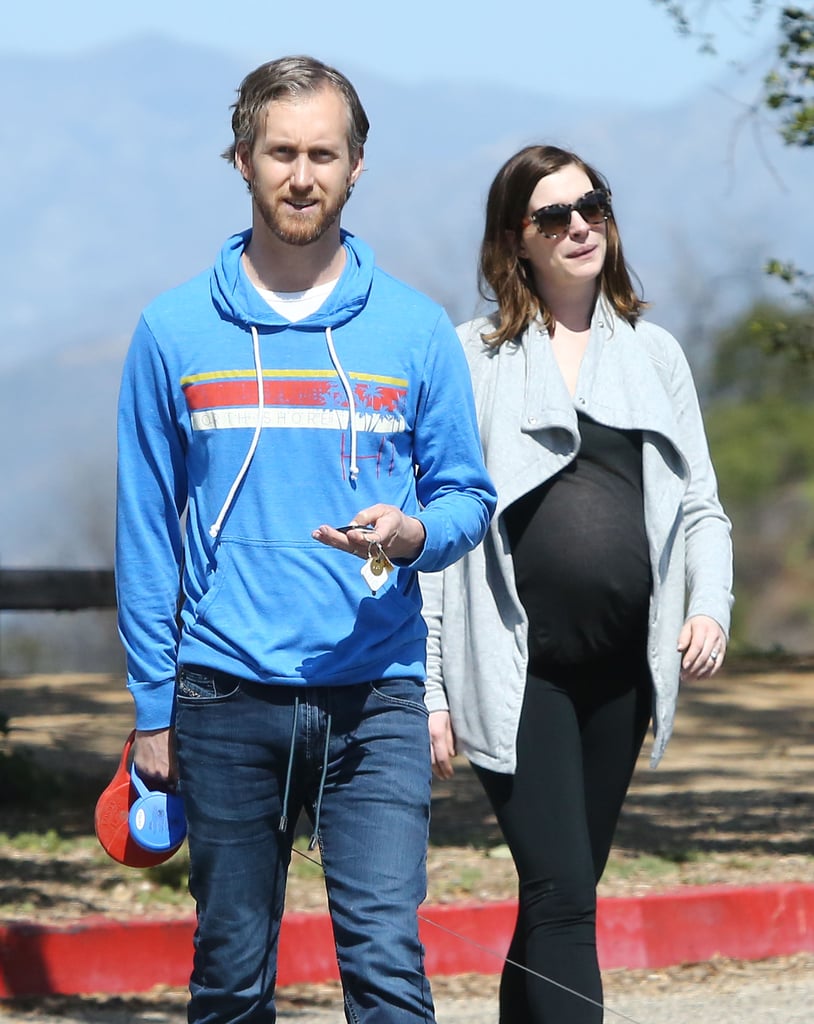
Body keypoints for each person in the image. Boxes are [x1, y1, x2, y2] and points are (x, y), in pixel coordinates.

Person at [115, 55, 496, 1024]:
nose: (300, 174)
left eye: (322, 153)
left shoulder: (414, 332)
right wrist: (153, 707)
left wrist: (414, 532)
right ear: (240, 158)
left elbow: (467, 499)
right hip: (220, 695)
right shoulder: (171, 332)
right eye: (280, 151)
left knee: (386, 968)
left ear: (356, 164)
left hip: (375, 701)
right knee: (232, 977)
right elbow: (147, 533)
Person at [422, 144, 734, 1023]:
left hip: (621, 680)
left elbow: (702, 505)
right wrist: (429, 687)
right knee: (563, 895)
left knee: (559, 894)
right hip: (518, 674)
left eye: (591, 205)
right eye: (553, 215)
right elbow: (439, 535)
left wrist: (709, 603)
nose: (579, 226)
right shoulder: (471, 358)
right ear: (514, 241)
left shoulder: (655, 354)